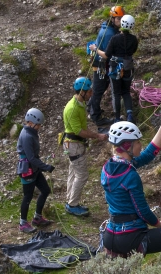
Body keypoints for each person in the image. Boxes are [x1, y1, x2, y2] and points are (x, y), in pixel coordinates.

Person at [100, 112, 161, 259]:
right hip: (131, 237)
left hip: (111, 236)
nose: (141, 144)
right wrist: (160, 224)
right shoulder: (130, 175)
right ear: (128, 146)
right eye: (138, 142)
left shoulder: (108, 167)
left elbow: (148, 154)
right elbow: (142, 211)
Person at [63, 76, 109, 216]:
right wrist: (97, 136)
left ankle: (71, 200)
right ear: (82, 91)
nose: (91, 93)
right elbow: (78, 131)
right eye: (89, 91)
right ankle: (73, 204)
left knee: (73, 172)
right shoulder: (72, 108)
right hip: (74, 144)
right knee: (82, 175)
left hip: (74, 144)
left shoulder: (79, 104)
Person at [93, 14, 139, 124]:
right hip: (128, 67)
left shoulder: (114, 38)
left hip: (115, 69)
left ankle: (117, 118)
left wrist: (95, 49)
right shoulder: (134, 39)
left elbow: (106, 55)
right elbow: (133, 51)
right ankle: (129, 115)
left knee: (116, 93)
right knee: (126, 92)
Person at [16, 108, 55, 233]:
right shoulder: (27, 136)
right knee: (28, 196)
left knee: (45, 190)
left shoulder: (31, 132)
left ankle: (37, 218)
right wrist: (46, 167)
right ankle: (23, 223)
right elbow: (31, 157)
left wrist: (41, 166)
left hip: (34, 168)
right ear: (31, 123)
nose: (40, 127)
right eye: (38, 125)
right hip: (27, 169)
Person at [88, 6, 125, 127]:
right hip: (101, 65)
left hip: (101, 63)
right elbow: (109, 55)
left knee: (99, 88)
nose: (121, 21)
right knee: (98, 89)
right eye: (119, 19)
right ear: (113, 18)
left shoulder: (109, 28)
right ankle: (96, 116)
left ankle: (91, 108)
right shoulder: (109, 33)